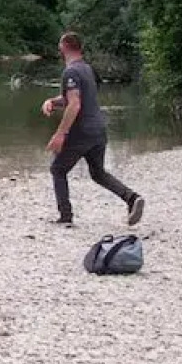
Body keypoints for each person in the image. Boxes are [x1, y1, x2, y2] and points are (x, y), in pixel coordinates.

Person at [43, 31, 144, 227]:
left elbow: (75, 105)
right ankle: (132, 198)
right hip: (98, 129)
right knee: (98, 173)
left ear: (63, 47)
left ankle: (65, 217)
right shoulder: (87, 69)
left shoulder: (70, 72)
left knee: (58, 169)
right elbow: (74, 98)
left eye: (59, 47)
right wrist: (52, 102)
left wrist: (60, 134)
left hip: (82, 131)